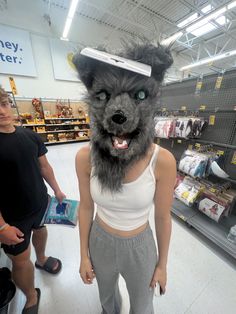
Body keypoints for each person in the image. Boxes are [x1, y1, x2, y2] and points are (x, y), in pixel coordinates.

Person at [74, 43, 176, 313]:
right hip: (100, 240)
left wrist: (163, 265)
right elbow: (86, 206)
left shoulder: (162, 161)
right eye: (104, 95)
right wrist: (84, 254)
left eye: (139, 94)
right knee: (108, 302)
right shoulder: (85, 157)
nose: (119, 111)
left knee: (142, 307)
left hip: (140, 247)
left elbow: (163, 217)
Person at [0, 87, 66, 314]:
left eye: (5, 103)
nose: (2, 111)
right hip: (11, 219)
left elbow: (44, 167)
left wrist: (56, 189)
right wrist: (1, 226)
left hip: (40, 203)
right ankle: (30, 297)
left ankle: (42, 258)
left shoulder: (30, 135)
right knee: (19, 261)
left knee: (40, 229)